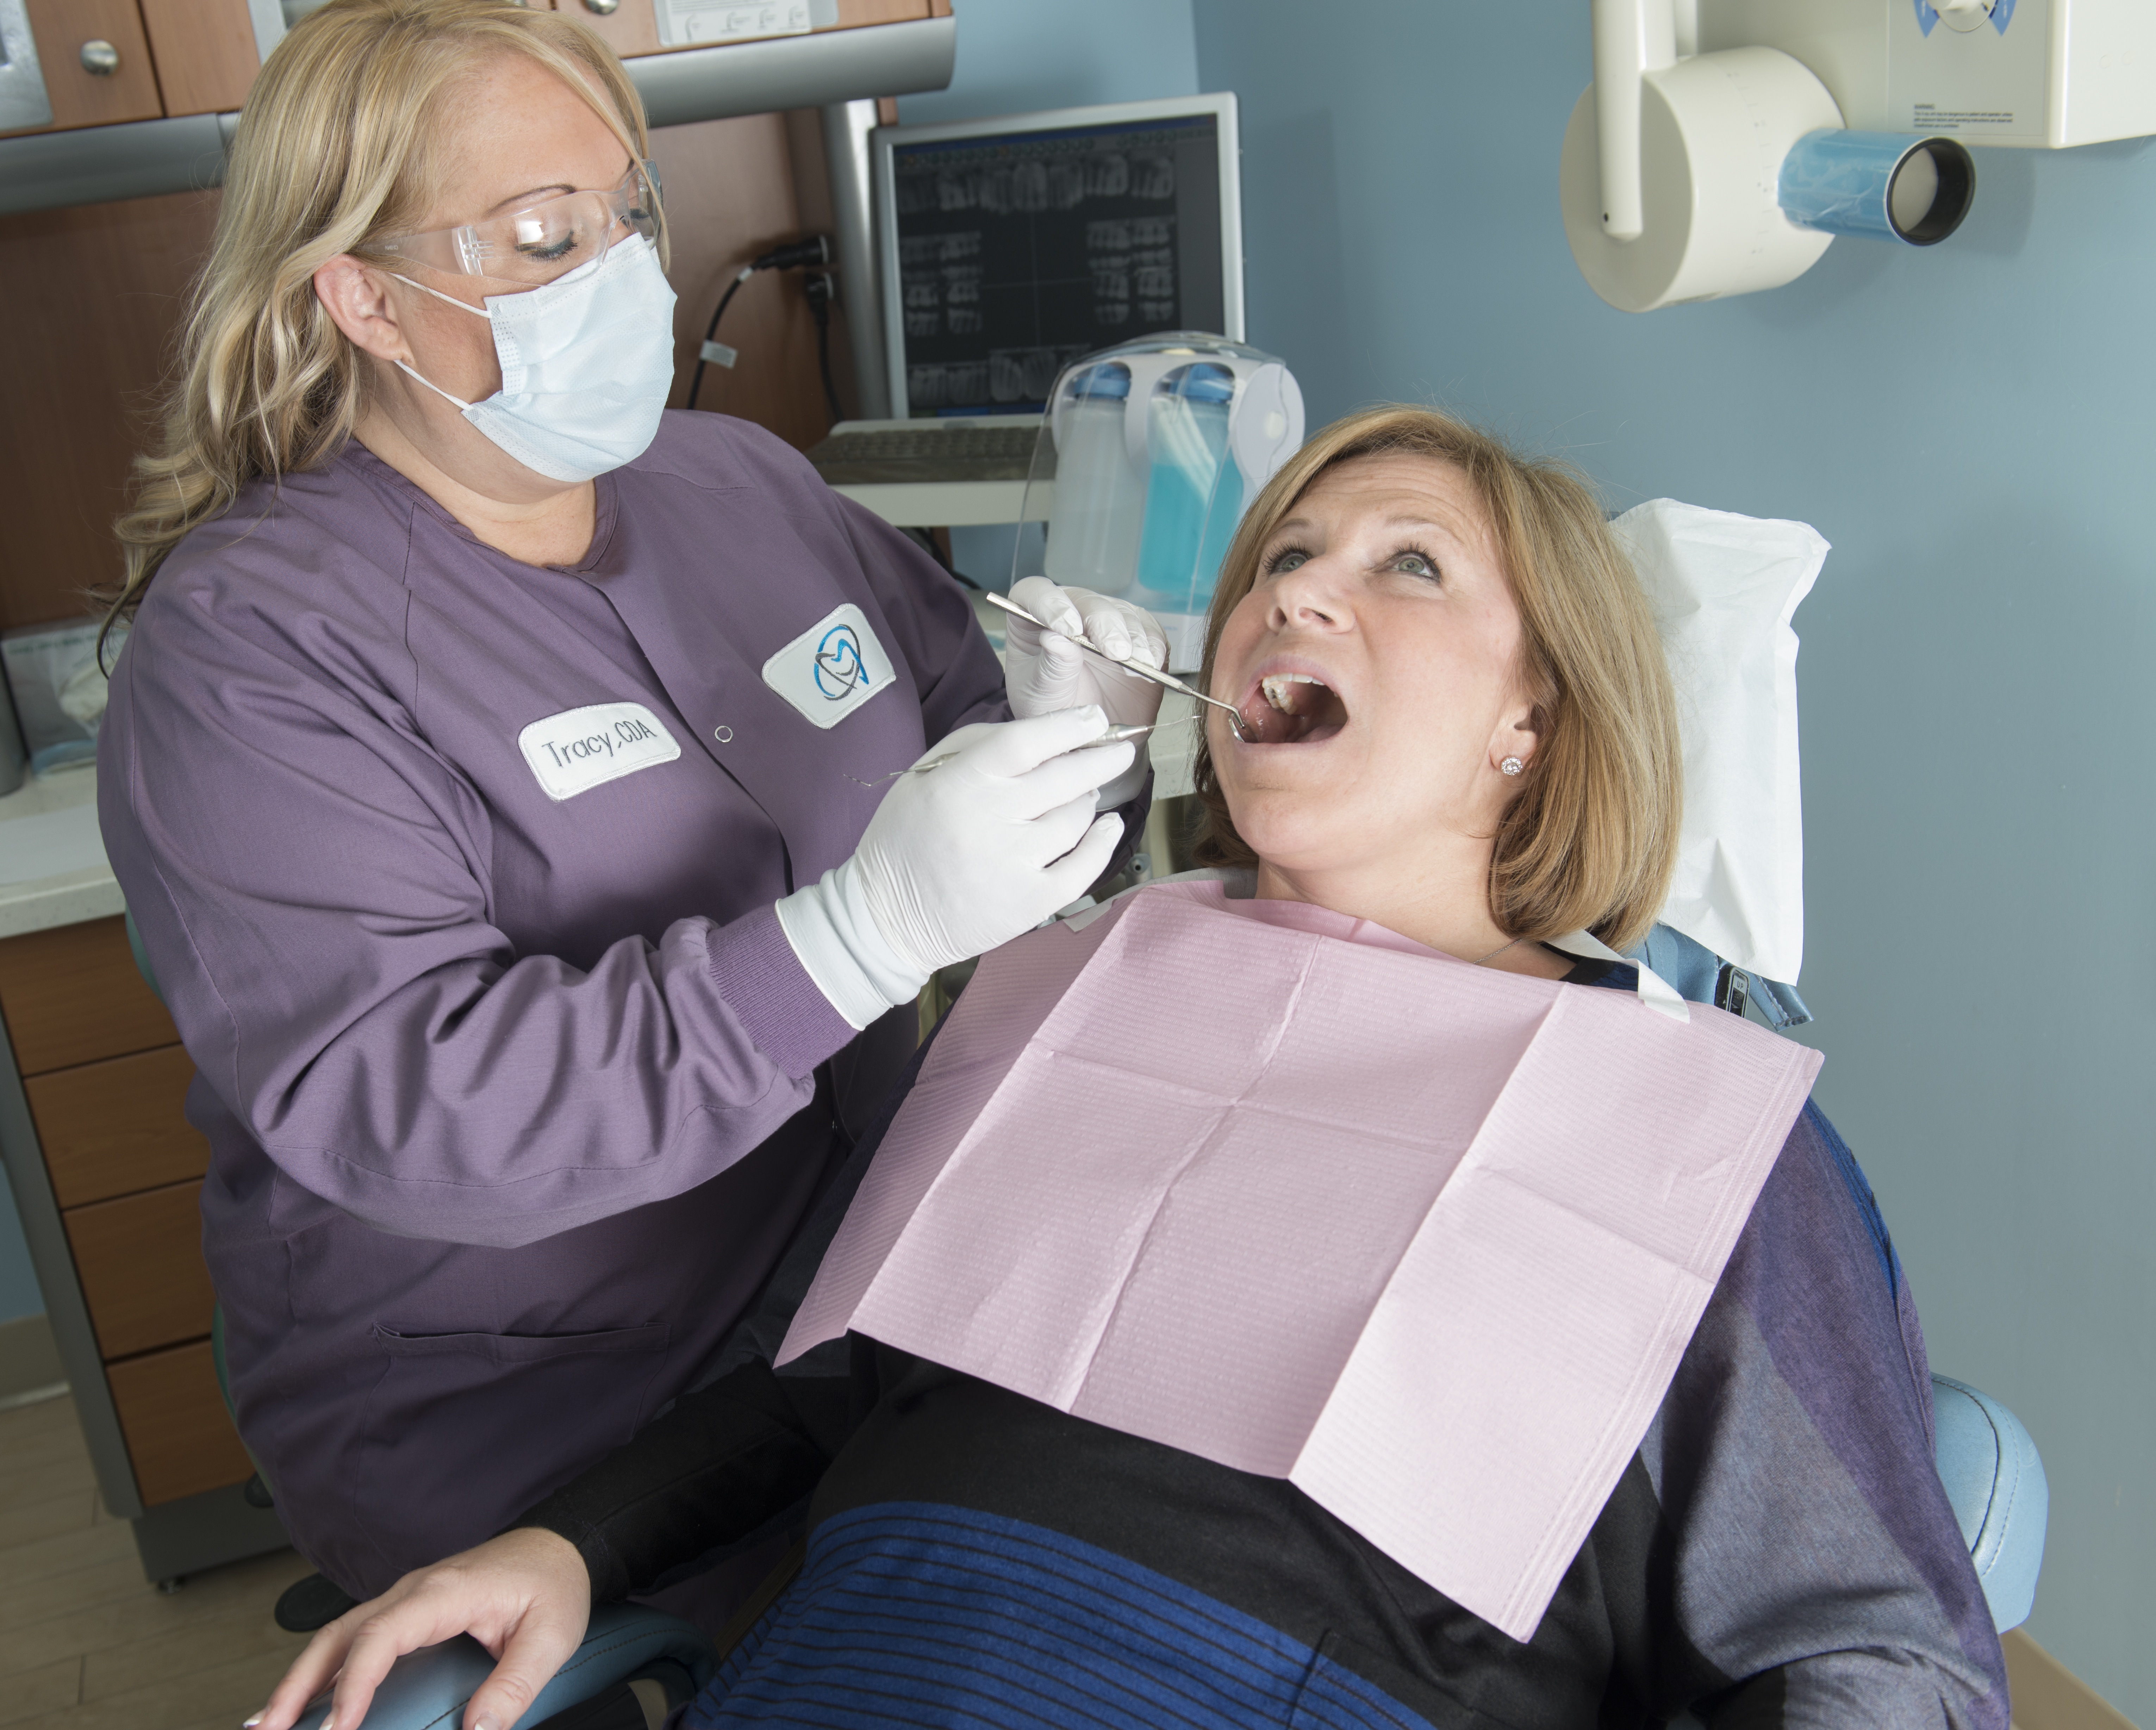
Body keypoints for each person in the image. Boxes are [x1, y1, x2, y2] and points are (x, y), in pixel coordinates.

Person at [255, 407, 2011, 1728]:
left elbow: (1861, 1644)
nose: (1295, 592)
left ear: (1530, 720)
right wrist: (569, 1544)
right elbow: (844, 1384)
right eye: (1280, 561)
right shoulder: (1062, 992)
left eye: (1405, 563)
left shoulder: (1685, 1119)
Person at [96, 0, 1167, 1609]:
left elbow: (967, 735)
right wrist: (858, 937)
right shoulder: (253, 648)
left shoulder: (737, 486)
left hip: (849, 1284)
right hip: (526, 1403)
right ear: (366, 299)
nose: (620, 277)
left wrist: (1089, 738)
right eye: (541, 237)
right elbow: (404, 1103)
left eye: (623, 214)